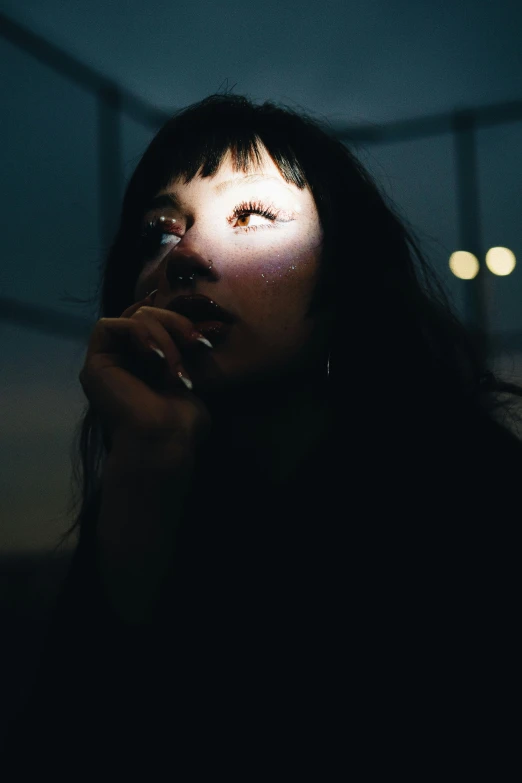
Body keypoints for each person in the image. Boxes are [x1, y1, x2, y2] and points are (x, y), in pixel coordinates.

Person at [3, 92, 522, 776]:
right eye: (160, 230)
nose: (183, 254)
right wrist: (147, 464)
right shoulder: (147, 488)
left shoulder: (476, 494)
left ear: (342, 281)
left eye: (253, 216)